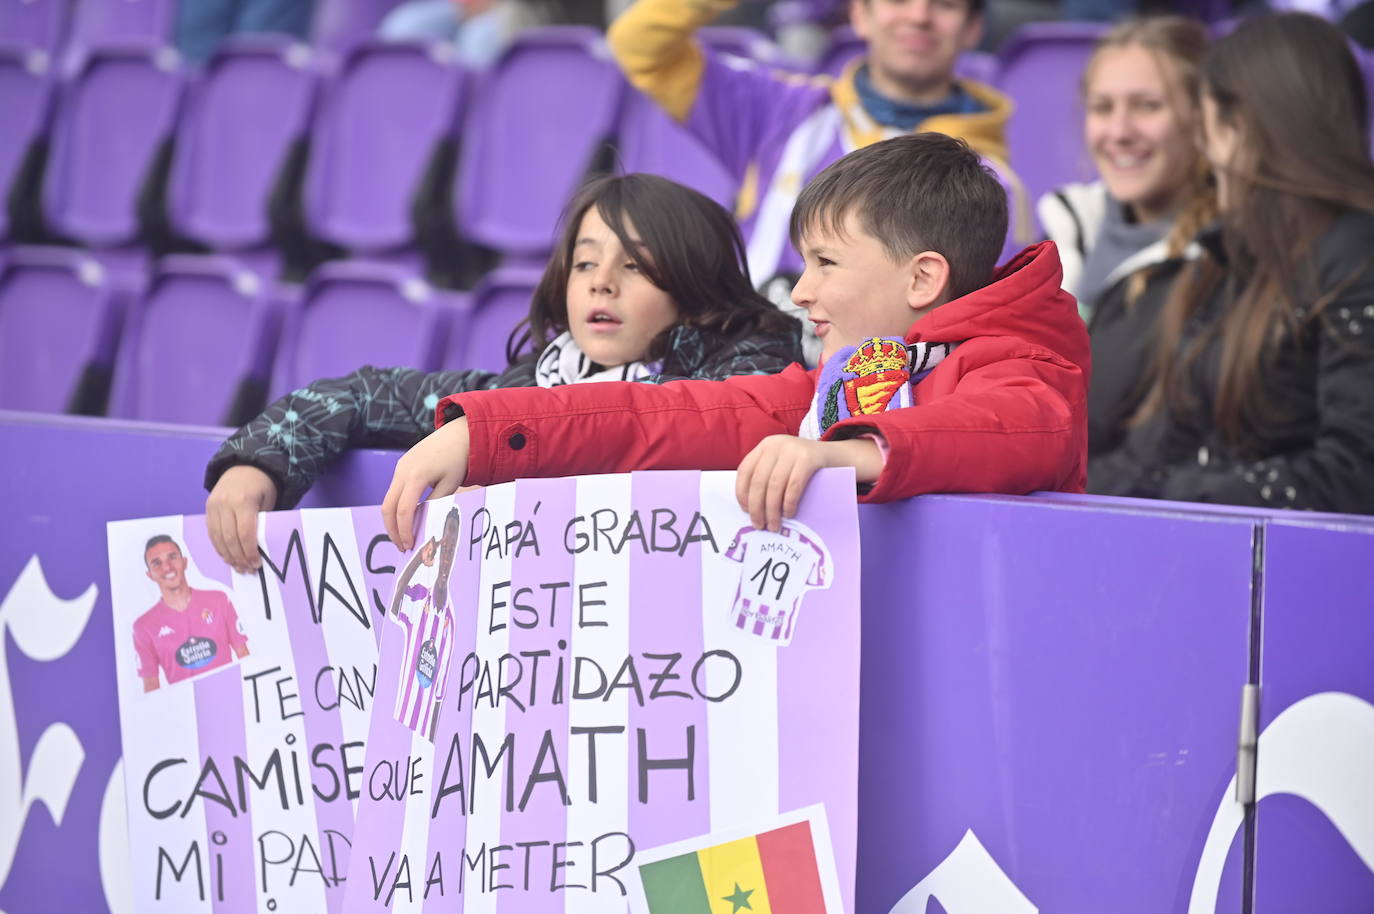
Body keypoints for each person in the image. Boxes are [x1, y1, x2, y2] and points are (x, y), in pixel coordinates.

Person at [380, 133, 1090, 548]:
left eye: (825, 263)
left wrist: (839, 452)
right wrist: (489, 434)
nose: (801, 290)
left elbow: (1012, 430)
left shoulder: (1026, 361)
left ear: (923, 278)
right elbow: (668, 417)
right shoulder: (848, 377)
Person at [205, 174, 804, 573]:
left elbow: (678, 422)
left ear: (699, 290)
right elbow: (359, 395)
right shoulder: (523, 389)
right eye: (585, 262)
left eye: (638, 267)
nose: (601, 281)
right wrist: (259, 461)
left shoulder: (753, 368)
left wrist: (495, 443)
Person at [607, 0, 1027, 354]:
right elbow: (641, 44)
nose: (919, 15)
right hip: (726, 356)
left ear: (973, 30)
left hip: (859, 391)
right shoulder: (781, 108)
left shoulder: (988, 182)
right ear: (859, 14)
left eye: (945, 3)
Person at [1089, 13, 1374, 515]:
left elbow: (1356, 473)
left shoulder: (1355, 253)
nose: (1206, 149)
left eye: (1207, 126)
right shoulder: (1224, 261)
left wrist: (1186, 497)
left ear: (1240, 126)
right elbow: (1162, 447)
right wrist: (1067, 490)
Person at [1036, 16, 1215, 456]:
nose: (1119, 132)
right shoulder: (1063, 228)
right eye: (1102, 108)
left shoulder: (1228, 255)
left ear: (1202, 117)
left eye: (1147, 106)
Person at [133, 536, 250, 692]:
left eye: (172, 557)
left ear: (184, 562)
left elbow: (244, 655)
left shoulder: (219, 600)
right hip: (187, 711)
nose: (167, 567)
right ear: (150, 575)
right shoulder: (143, 626)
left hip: (231, 693)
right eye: (157, 563)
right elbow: (151, 688)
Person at [387, 507, 461, 741]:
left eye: (452, 549)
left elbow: (439, 698)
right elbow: (396, 604)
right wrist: (418, 559)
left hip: (421, 739)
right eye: (444, 548)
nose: (447, 556)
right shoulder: (419, 598)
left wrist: (432, 745)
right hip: (398, 722)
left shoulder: (450, 623)